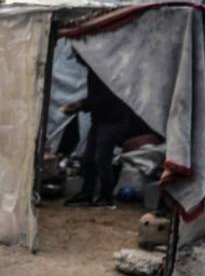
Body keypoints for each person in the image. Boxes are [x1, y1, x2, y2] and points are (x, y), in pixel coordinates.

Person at [61, 67, 153, 209]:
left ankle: (106, 198)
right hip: (100, 120)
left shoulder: (105, 69)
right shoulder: (94, 70)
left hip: (113, 120)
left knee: (101, 159)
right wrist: (82, 105)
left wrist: (81, 105)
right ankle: (87, 194)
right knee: (88, 159)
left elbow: (106, 98)